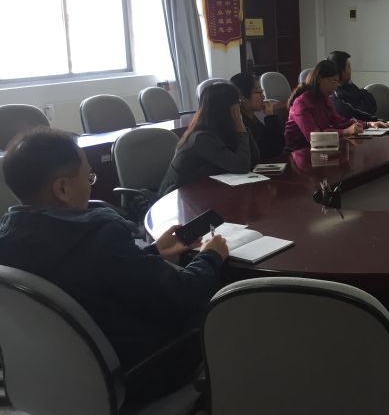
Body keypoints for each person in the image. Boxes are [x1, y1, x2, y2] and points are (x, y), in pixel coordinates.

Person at [0, 128, 229, 405]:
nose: (91, 185)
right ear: (62, 189)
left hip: (60, 379)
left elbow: (92, 275)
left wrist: (153, 252)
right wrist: (211, 255)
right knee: (226, 304)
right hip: (137, 372)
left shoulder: (9, 240)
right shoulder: (99, 238)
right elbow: (184, 295)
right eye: (88, 177)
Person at [160, 82, 259, 194]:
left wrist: (243, 128)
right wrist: (241, 129)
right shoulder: (202, 137)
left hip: (202, 191)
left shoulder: (222, 130)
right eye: (238, 103)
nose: (240, 107)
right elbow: (242, 167)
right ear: (226, 108)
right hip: (179, 196)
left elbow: (254, 159)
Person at [284, 59, 387, 150]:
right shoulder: (301, 103)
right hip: (298, 152)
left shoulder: (324, 98)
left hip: (319, 148)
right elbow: (314, 137)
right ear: (320, 79)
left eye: (337, 83)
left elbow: (340, 122)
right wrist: (346, 132)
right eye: (333, 81)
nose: (335, 87)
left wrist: (368, 124)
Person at [230, 72, 285, 158]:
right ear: (242, 97)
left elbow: (278, 144)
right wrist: (270, 118)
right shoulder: (240, 122)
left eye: (262, 92)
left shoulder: (251, 117)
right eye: (259, 92)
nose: (263, 96)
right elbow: (271, 149)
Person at [327, 50, 378, 121]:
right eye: (348, 67)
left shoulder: (349, 85)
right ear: (341, 71)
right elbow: (352, 115)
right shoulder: (334, 95)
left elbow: (372, 103)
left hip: (364, 123)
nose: (351, 70)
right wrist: (364, 109)